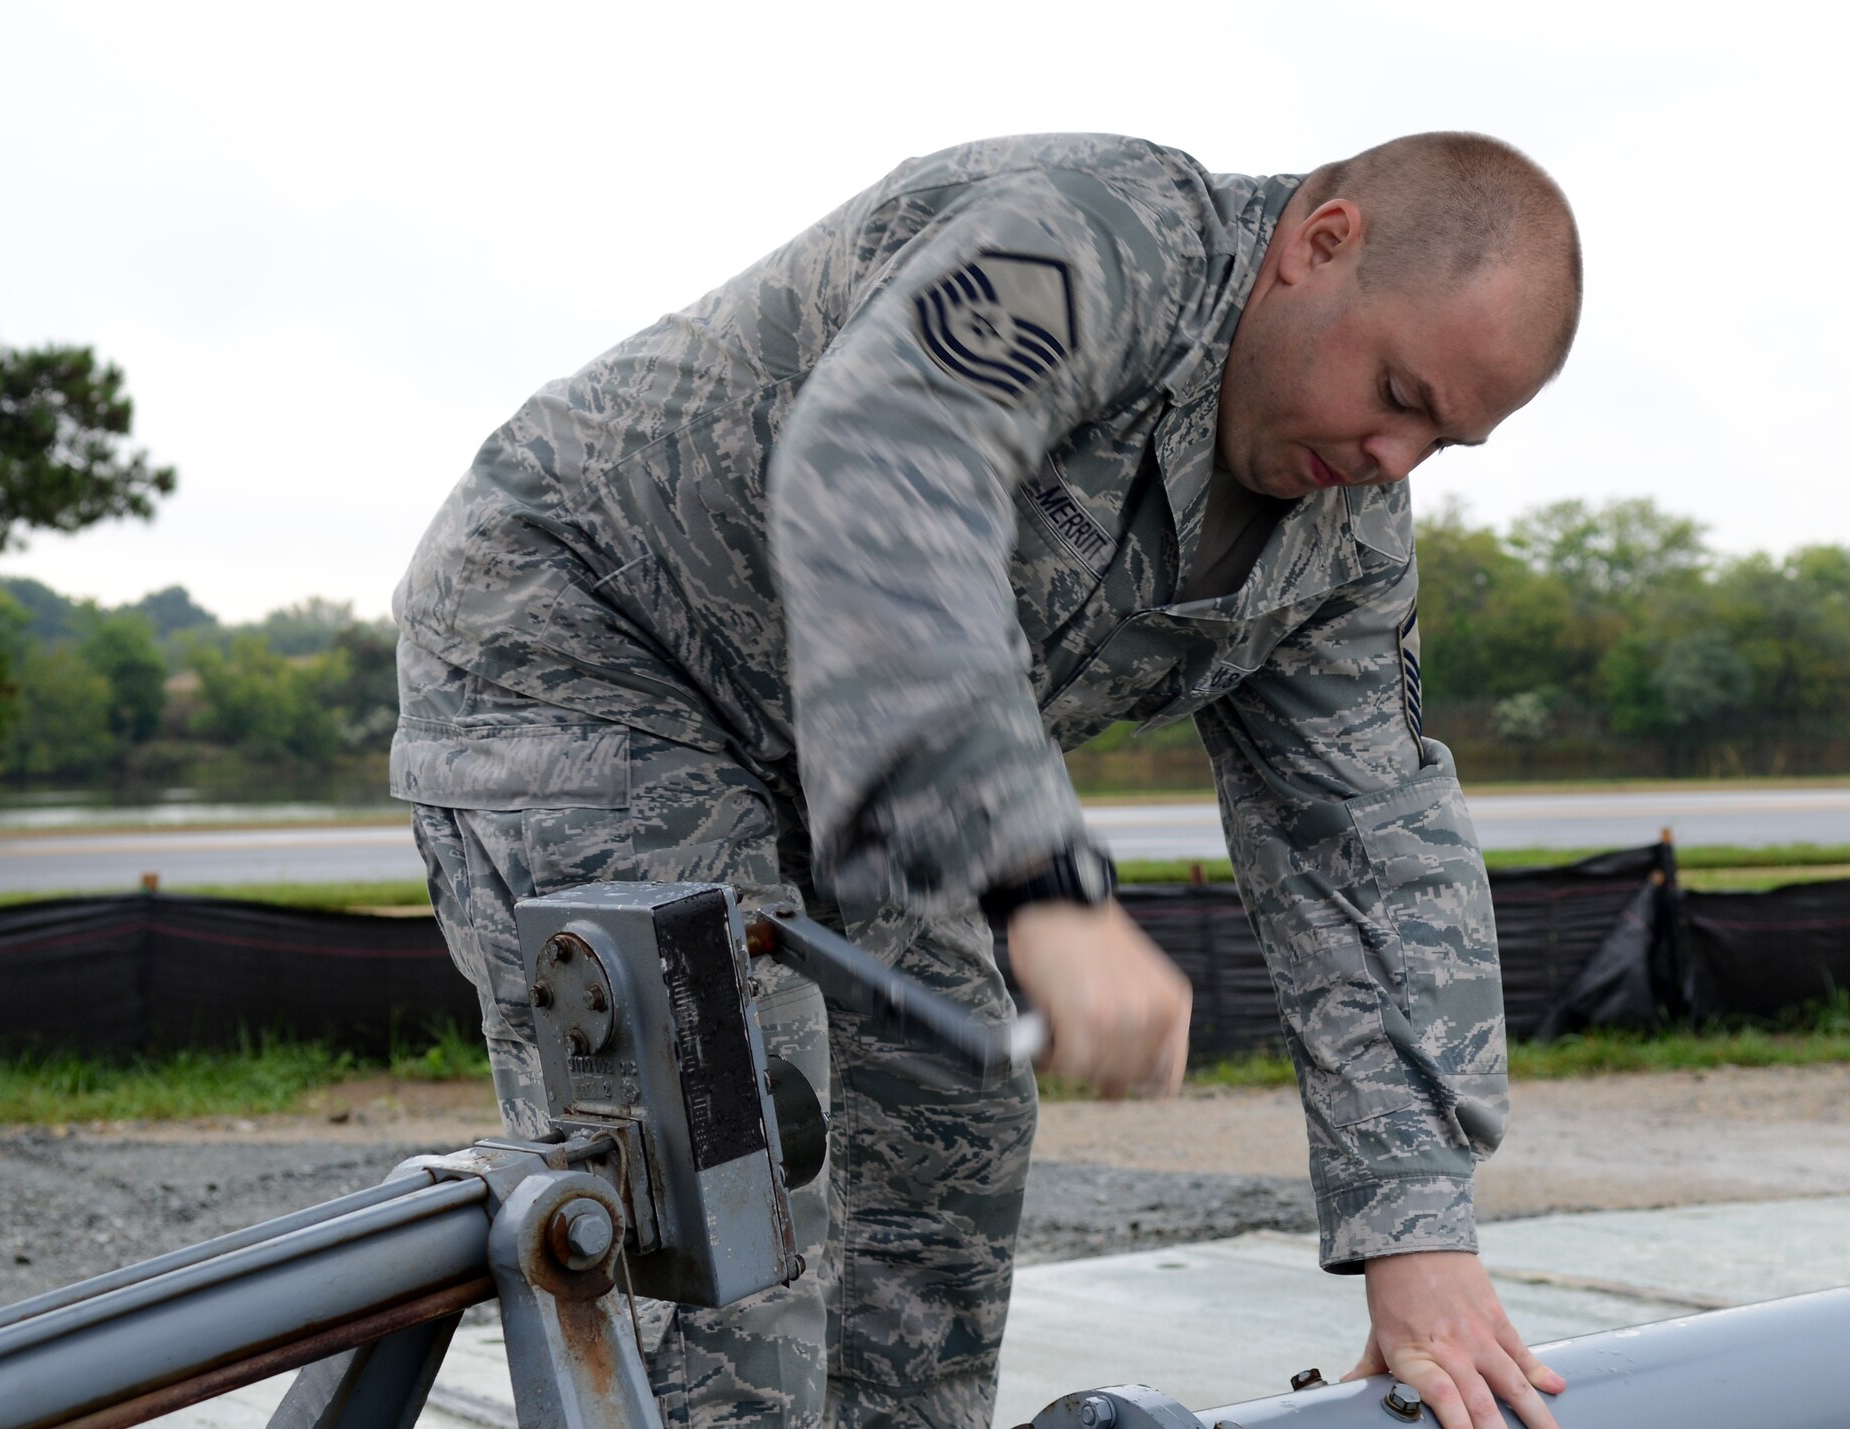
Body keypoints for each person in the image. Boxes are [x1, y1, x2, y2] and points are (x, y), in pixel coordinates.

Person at [391, 130, 1581, 1429]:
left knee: (949, 1117)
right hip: (594, 651)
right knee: (733, 1166)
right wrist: (1041, 887)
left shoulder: (1340, 538)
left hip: (853, 766)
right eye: (1398, 391)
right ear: (1322, 244)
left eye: (1442, 441)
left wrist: (1419, 1231)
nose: (1394, 458)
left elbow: (1367, 842)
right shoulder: (1092, 242)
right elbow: (887, 468)